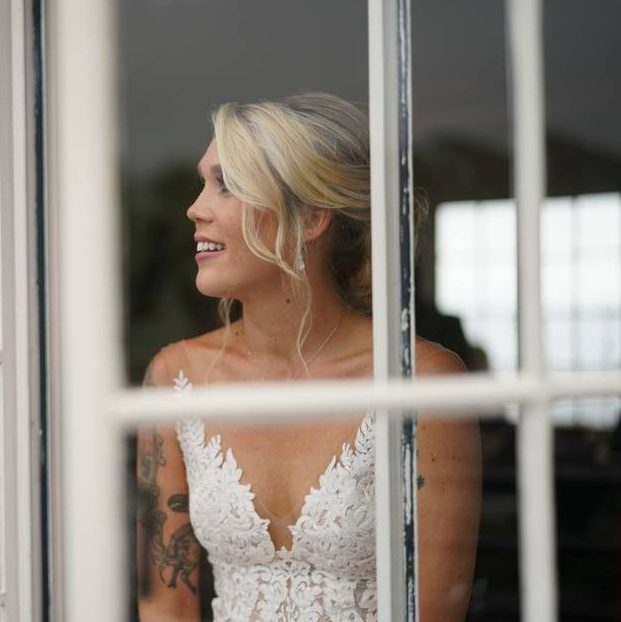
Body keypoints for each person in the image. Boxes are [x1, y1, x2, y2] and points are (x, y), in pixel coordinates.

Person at [136, 93, 482, 621]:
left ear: (311, 219)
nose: (195, 207)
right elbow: (164, 601)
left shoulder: (423, 380)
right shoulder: (173, 377)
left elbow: (434, 611)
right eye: (204, 182)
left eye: (226, 185)